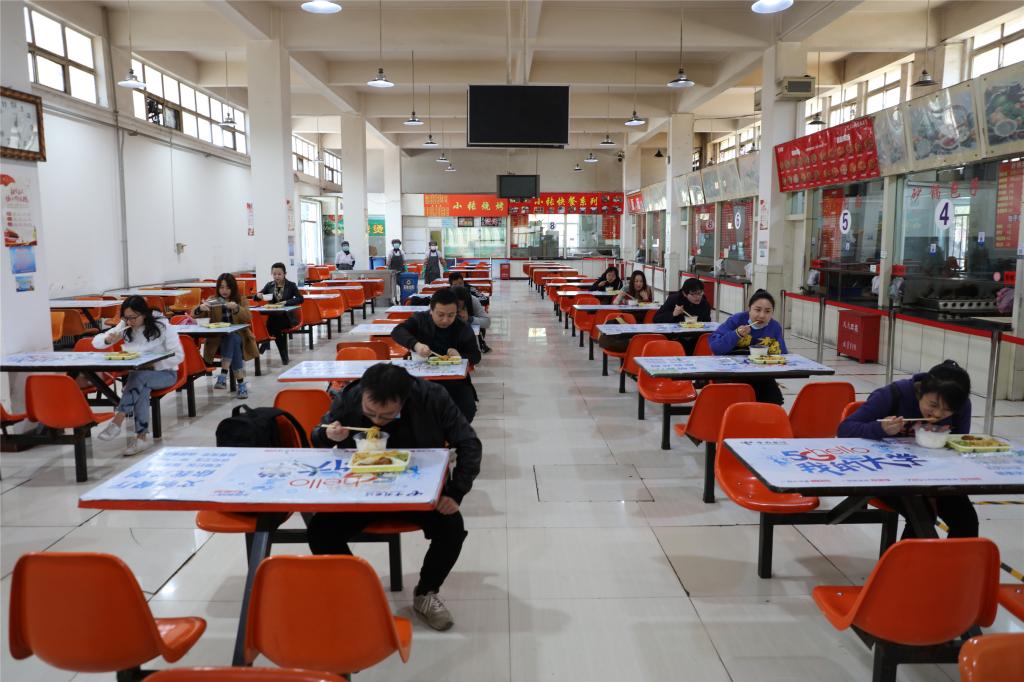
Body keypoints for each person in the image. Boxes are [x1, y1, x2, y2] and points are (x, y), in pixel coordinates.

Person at [308, 363, 481, 632]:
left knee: (452, 528)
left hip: (416, 491)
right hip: (363, 489)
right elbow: (318, 432)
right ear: (364, 394)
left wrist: (456, 491)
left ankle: (426, 593)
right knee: (320, 531)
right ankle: (356, 592)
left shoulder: (432, 397)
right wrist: (327, 434)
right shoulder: (351, 395)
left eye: (387, 415)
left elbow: (469, 443)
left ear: (405, 398)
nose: (377, 421)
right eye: (370, 413)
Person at [838, 360, 978, 539]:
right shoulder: (892, 395)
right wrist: (880, 429)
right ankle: (903, 559)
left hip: (935, 474)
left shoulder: (961, 406)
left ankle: (951, 559)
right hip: (886, 473)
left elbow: (958, 443)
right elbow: (845, 429)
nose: (937, 414)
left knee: (966, 519)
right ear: (921, 391)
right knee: (922, 515)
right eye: (933, 405)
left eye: (947, 410)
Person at [94, 296, 184, 455]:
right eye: (126, 318)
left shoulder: (163, 326)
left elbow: (179, 356)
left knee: (138, 377)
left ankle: (118, 419)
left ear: (144, 314)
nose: (129, 322)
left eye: (133, 318)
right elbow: (96, 342)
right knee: (141, 386)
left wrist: (153, 365)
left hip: (166, 373)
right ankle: (141, 438)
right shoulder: (125, 325)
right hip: (140, 378)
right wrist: (108, 340)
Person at [391, 287, 481, 422]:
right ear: (431, 311)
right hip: (421, 378)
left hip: (454, 381)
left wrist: (460, 356)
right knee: (410, 409)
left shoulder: (462, 327)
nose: (445, 320)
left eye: (451, 315)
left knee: (467, 409)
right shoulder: (420, 320)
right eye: (440, 315)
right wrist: (416, 345)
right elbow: (397, 331)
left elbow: (476, 356)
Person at [708, 289, 787, 404]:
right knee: (738, 400)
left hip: (761, 375)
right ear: (749, 309)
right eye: (757, 310)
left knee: (774, 399)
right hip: (731, 373)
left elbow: (784, 355)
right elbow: (715, 347)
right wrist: (736, 334)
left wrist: (776, 351)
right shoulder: (736, 320)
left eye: (767, 311)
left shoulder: (774, 327)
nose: (762, 315)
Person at [193, 273, 257, 399]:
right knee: (232, 340)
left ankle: (223, 374)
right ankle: (241, 385)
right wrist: (200, 309)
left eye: (228, 288)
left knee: (232, 337)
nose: (224, 291)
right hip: (217, 342)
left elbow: (248, 317)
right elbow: (195, 315)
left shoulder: (241, 300)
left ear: (233, 288)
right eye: (221, 287)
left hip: (241, 339)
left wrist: (237, 308)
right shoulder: (213, 299)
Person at [254, 262, 303, 365]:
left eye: (279, 274)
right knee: (275, 326)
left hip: (288, 318)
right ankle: (283, 356)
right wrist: (258, 295)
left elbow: (300, 299)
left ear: (285, 274)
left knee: (272, 325)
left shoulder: (291, 285)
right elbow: (256, 297)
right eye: (274, 274)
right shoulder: (269, 285)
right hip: (274, 317)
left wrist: (286, 302)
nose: (277, 276)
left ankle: (265, 343)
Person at [654, 277, 713, 355]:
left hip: (696, 341)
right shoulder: (674, 300)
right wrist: (673, 314)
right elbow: (656, 319)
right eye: (693, 294)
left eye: (700, 293)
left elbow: (708, 324)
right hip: (675, 340)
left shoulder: (704, 304)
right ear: (685, 294)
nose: (698, 297)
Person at [449, 272, 491, 354]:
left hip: (469, 334)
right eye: (455, 285)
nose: (458, 287)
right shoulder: (445, 299)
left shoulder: (472, 299)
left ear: (464, 283)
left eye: (460, 284)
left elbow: (487, 322)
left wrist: (469, 318)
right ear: (450, 286)